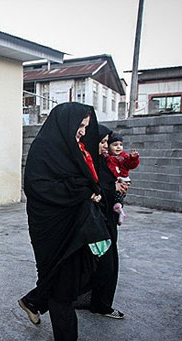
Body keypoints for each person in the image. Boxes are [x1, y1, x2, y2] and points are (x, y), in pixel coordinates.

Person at [17, 102, 110, 341]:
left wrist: (93, 190)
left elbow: (89, 177)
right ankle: (66, 339)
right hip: (51, 225)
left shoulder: (76, 149)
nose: (82, 132)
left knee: (70, 273)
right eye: (80, 126)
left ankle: (34, 301)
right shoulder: (44, 149)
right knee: (62, 280)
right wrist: (82, 190)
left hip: (76, 223)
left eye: (85, 127)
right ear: (65, 123)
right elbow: (39, 188)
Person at [74, 124, 129, 319]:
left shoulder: (101, 161)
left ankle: (96, 302)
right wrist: (111, 188)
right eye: (103, 142)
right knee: (104, 264)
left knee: (103, 264)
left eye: (108, 141)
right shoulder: (87, 162)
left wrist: (117, 187)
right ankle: (100, 305)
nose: (106, 146)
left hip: (106, 221)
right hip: (96, 223)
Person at [104, 133, 140, 225]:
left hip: (123, 179)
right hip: (115, 180)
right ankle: (119, 209)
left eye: (120, 145)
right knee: (116, 197)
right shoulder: (108, 157)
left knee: (119, 195)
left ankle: (119, 208)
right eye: (115, 145)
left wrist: (134, 158)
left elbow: (131, 165)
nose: (118, 147)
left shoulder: (123, 157)